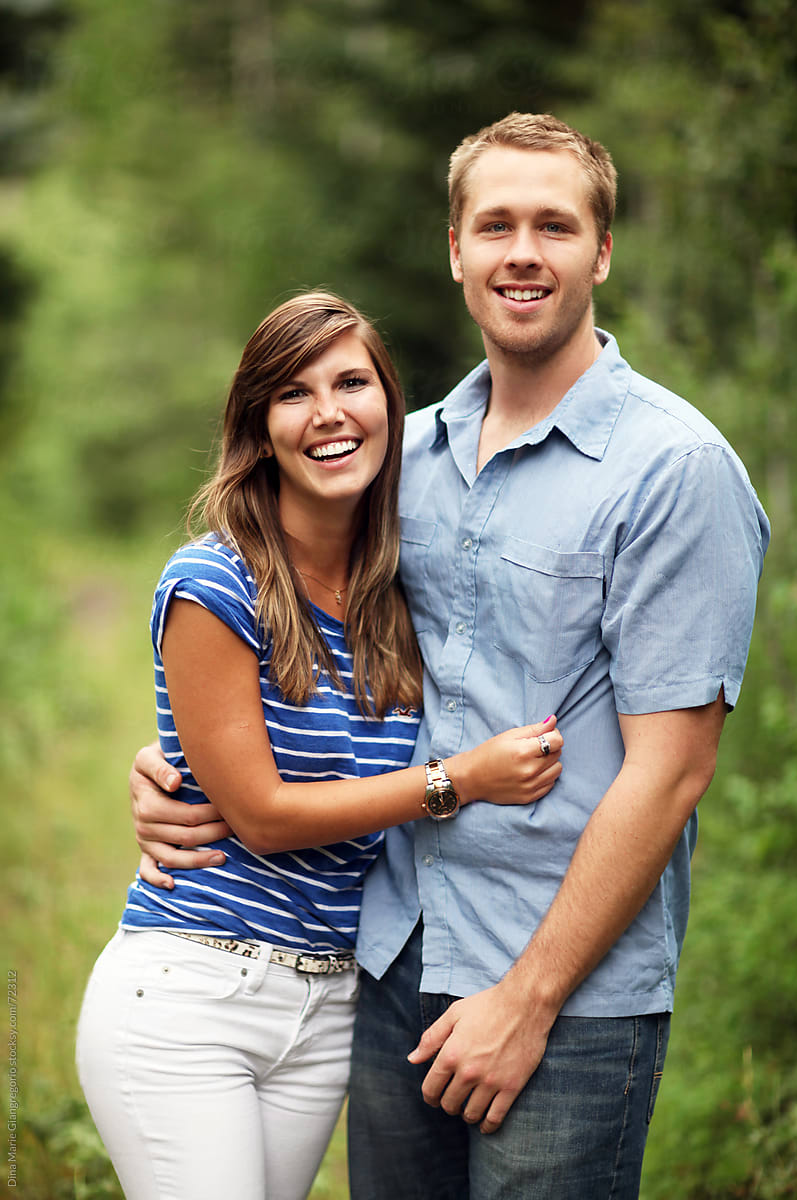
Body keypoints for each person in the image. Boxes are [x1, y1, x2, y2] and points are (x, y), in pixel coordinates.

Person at [129, 114, 769, 1199]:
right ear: (455, 251)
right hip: (389, 965)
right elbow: (282, 640)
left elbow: (672, 770)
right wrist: (178, 774)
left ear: (600, 252)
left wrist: (528, 999)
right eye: (496, 224)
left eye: (554, 226)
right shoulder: (401, 455)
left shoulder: (673, 472)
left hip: (565, 999)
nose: (522, 251)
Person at [76, 289, 565, 1200]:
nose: (330, 412)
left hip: (327, 1005)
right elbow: (260, 814)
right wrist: (457, 782)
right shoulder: (214, 583)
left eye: (352, 382)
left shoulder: (399, 592)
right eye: (295, 393)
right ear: (260, 428)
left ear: (391, 406)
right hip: (193, 993)